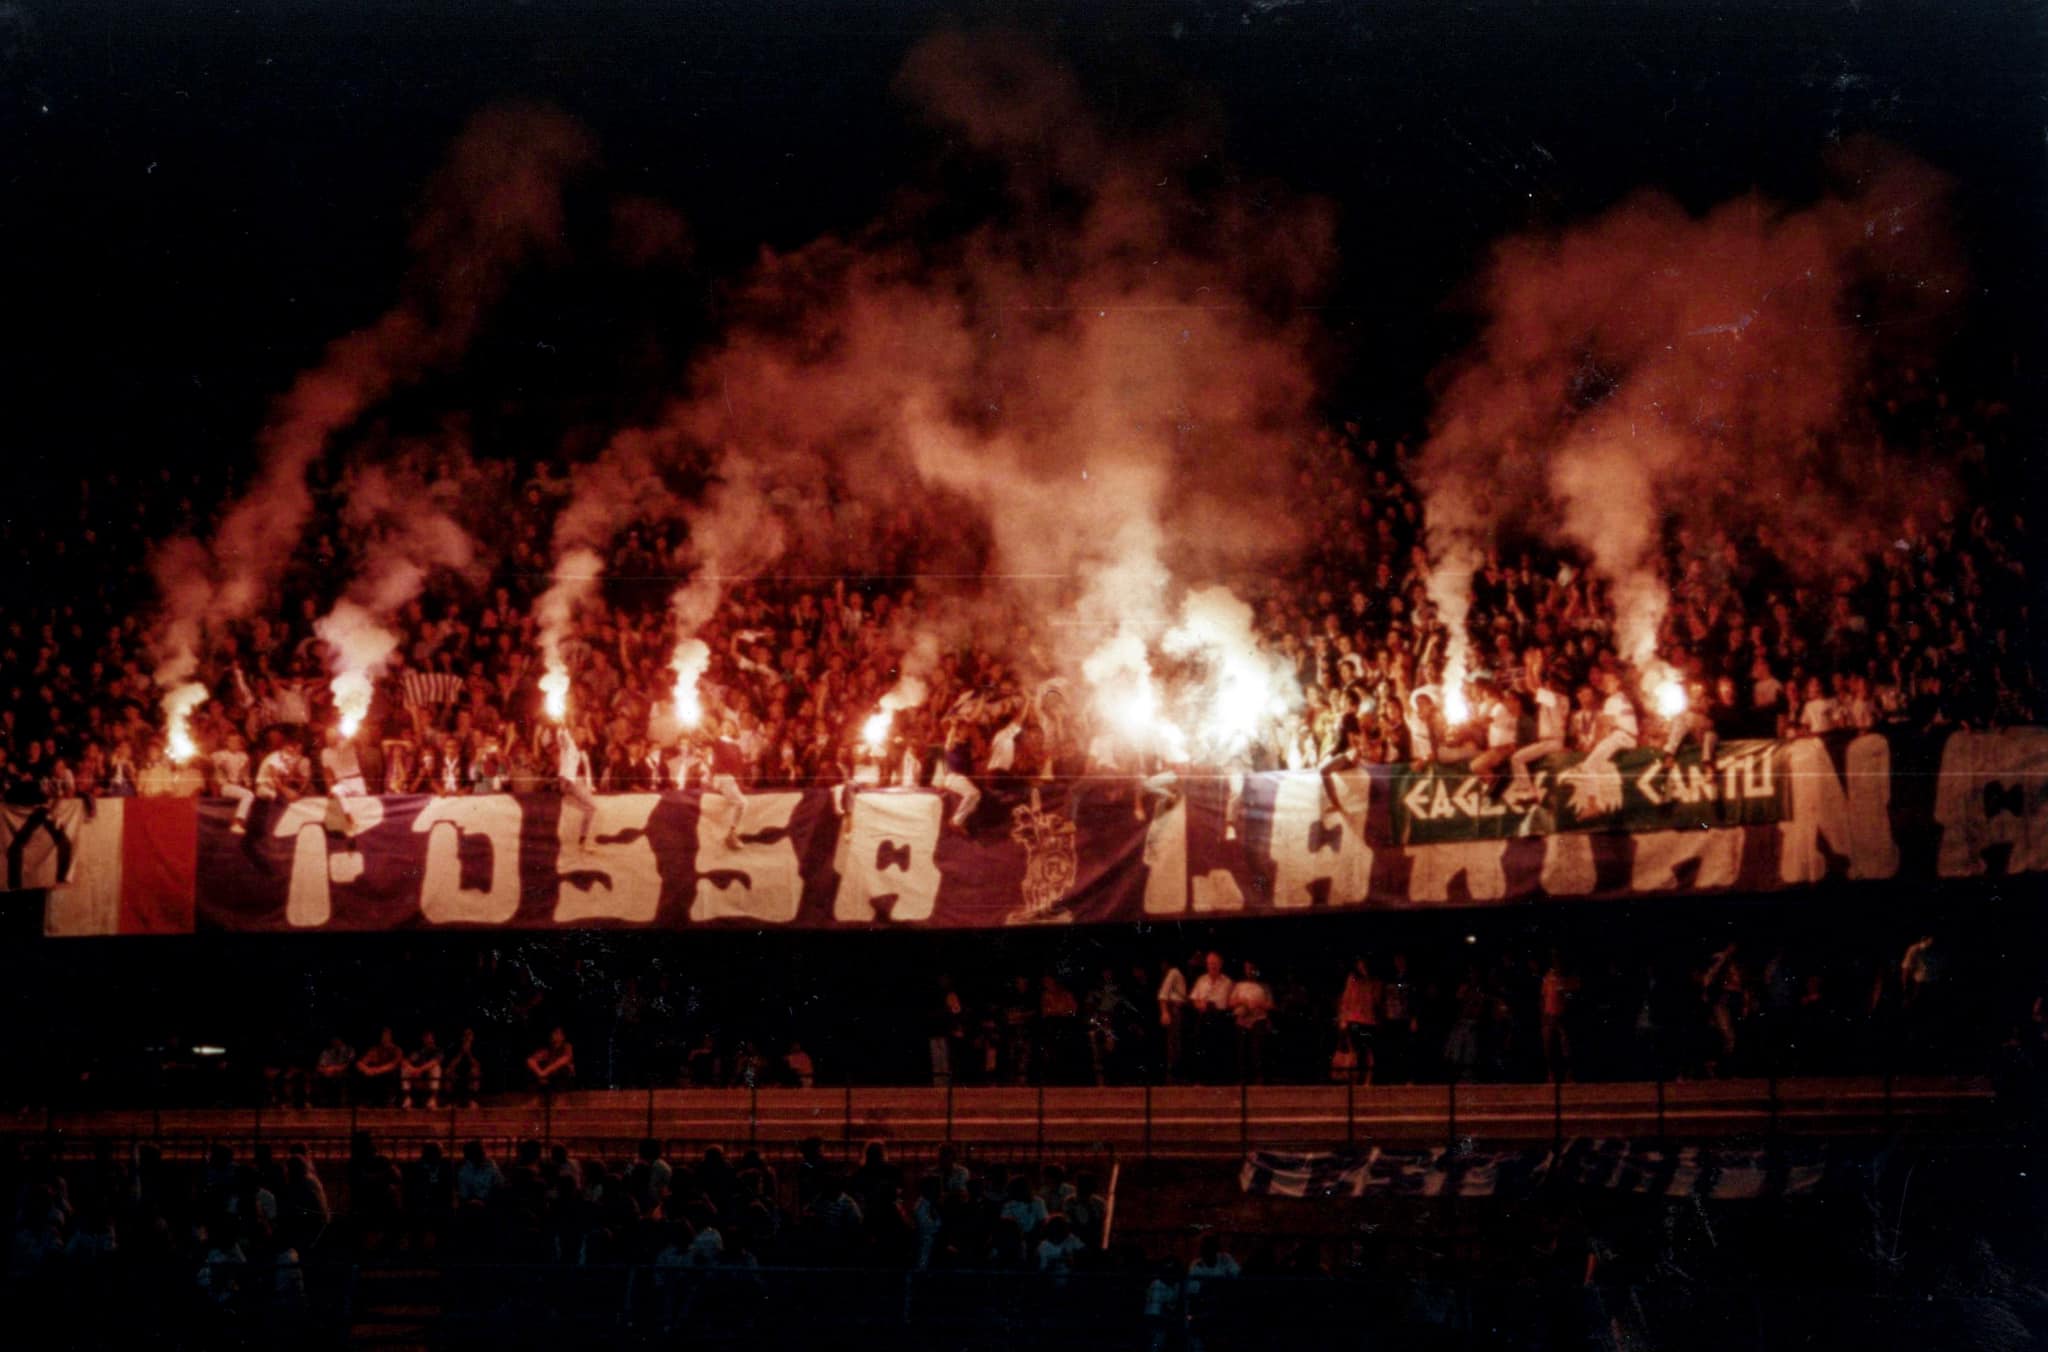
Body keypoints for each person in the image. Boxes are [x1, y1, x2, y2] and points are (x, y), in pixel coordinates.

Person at [1188, 952, 1235, 1084]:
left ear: (1220, 965)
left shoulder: (1228, 982)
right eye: (1210, 963)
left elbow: (1232, 1002)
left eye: (1215, 963)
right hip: (1204, 1018)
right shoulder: (1201, 980)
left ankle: (1220, 1080)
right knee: (1202, 1049)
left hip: (1221, 1018)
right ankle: (1202, 1079)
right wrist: (1200, 1004)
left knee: (1220, 1050)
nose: (1212, 966)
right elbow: (1194, 999)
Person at [552, 724, 597, 853]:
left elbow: (587, 770)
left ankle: (583, 841)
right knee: (592, 807)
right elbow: (562, 737)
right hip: (571, 781)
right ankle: (583, 840)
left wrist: (590, 786)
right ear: (573, 734)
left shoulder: (582, 752)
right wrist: (562, 727)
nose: (582, 736)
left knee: (589, 809)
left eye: (583, 734)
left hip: (582, 782)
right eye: (579, 733)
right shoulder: (568, 745)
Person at [1230, 961, 1274, 1084]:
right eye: (1247, 969)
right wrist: (1241, 1001)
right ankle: (1242, 1077)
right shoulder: (1239, 985)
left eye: (1252, 969)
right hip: (1242, 1020)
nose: (1249, 971)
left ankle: (1258, 1077)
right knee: (1242, 1049)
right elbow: (1230, 1002)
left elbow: (1271, 1005)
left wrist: (1259, 1004)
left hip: (1258, 1019)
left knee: (1257, 1049)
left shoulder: (1264, 986)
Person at [1157, 957, 1190, 1084]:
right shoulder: (1174, 972)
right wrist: (1165, 1012)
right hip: (1174, 1010)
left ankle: (1176, 1075)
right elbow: (1163, 994)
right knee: (1174, 1044)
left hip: (1180, 1009)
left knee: (1177, 1043)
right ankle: (1173, 1076)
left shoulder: (1181, 973)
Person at [353, 1028, 404, 1106]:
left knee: (390, 1075)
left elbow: (393, 1065)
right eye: (383, 1035)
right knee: (361, 1074)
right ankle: (365, 1101)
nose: (384, 1037)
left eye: (386, 1035)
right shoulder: (375, 1049)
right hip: (374, 1074)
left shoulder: (396, 1049)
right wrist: (366, 1069)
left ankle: (390, 1101)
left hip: (388, 1074)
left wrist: (376, 1070)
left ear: (391, 1037)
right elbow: (361, 1062)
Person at [399, 1031, 443, 1110]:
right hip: (417, 1079)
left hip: (429, 1081)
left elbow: (435, 1062)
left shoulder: (438, 1051)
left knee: (436, 1068)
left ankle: (432, 1100)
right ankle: (407, 1099)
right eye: (425, 1038)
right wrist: (412, 1069)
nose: (427, 1040)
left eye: (429, 1037)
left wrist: (419, 1070)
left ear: (433, 1039)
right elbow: (405, 1061)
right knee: (404, 1069)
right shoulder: (418, 1052)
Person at [526, 1026, 576, 1093]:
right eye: (552, 1034)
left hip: (564, 1081)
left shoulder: (567, 1047)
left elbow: (562, 1061)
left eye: (557, 1033)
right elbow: (530, 1060)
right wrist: (539, 1073)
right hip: (549, 1080)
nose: (554, 1036)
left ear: (563, 1037)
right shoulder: (547, 1050)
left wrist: (545, 1073)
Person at [443, 1028, 482, 1107]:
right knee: (448, 1073)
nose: (467, 1038)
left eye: (469, 1035)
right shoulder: (454, 1047)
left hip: (470, 1074)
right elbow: (451, 1065)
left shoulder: (477, 1048)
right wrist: (461, 1053)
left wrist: (468, 1053)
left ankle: (472, 1100)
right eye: (465, 1035)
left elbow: (477, 1065)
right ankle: (452, 1102)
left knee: (475, 1072)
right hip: (457, 1072)